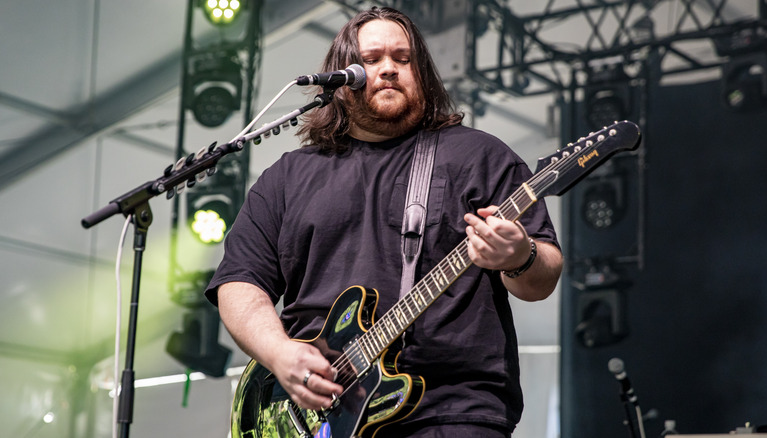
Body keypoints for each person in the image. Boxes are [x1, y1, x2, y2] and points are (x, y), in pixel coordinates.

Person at [206, 6, 563, 438]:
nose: (389, 69)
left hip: (452, 410)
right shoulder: (286, 177)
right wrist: (280, 354)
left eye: (403, 58)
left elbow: (540, 279)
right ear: (340, 80)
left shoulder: (478, 157)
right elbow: (240, 283)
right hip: (318, 413)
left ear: (422, 73)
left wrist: (518, 255)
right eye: (372, 60)